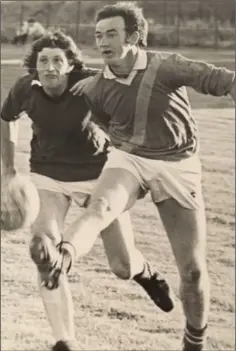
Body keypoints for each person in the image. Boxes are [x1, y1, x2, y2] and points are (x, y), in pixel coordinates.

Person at [42, 2, 235, 351]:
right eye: (98, 35)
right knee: (100, 207)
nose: (102, 41)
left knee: (191, 272)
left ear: (135, 36)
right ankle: (63, 257)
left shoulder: (167, 66)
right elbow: (108, 124)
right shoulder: (96, 87)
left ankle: (195, 338)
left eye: (111, 34)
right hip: (129, 159)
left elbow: (226, 82)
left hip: (179, 165)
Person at [1, 30, 174, 351]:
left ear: (70, 66)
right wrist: (9, 168)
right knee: (44, 250)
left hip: (99, 176)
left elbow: (133, 112)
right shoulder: (26, 88)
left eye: (57, 61)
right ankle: (64, 340)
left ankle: (146, 272)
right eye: (43, 61)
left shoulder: (93, 85)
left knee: (121, 265)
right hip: (48, 176)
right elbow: (7, 117)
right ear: (35, 66)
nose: (50, 67)